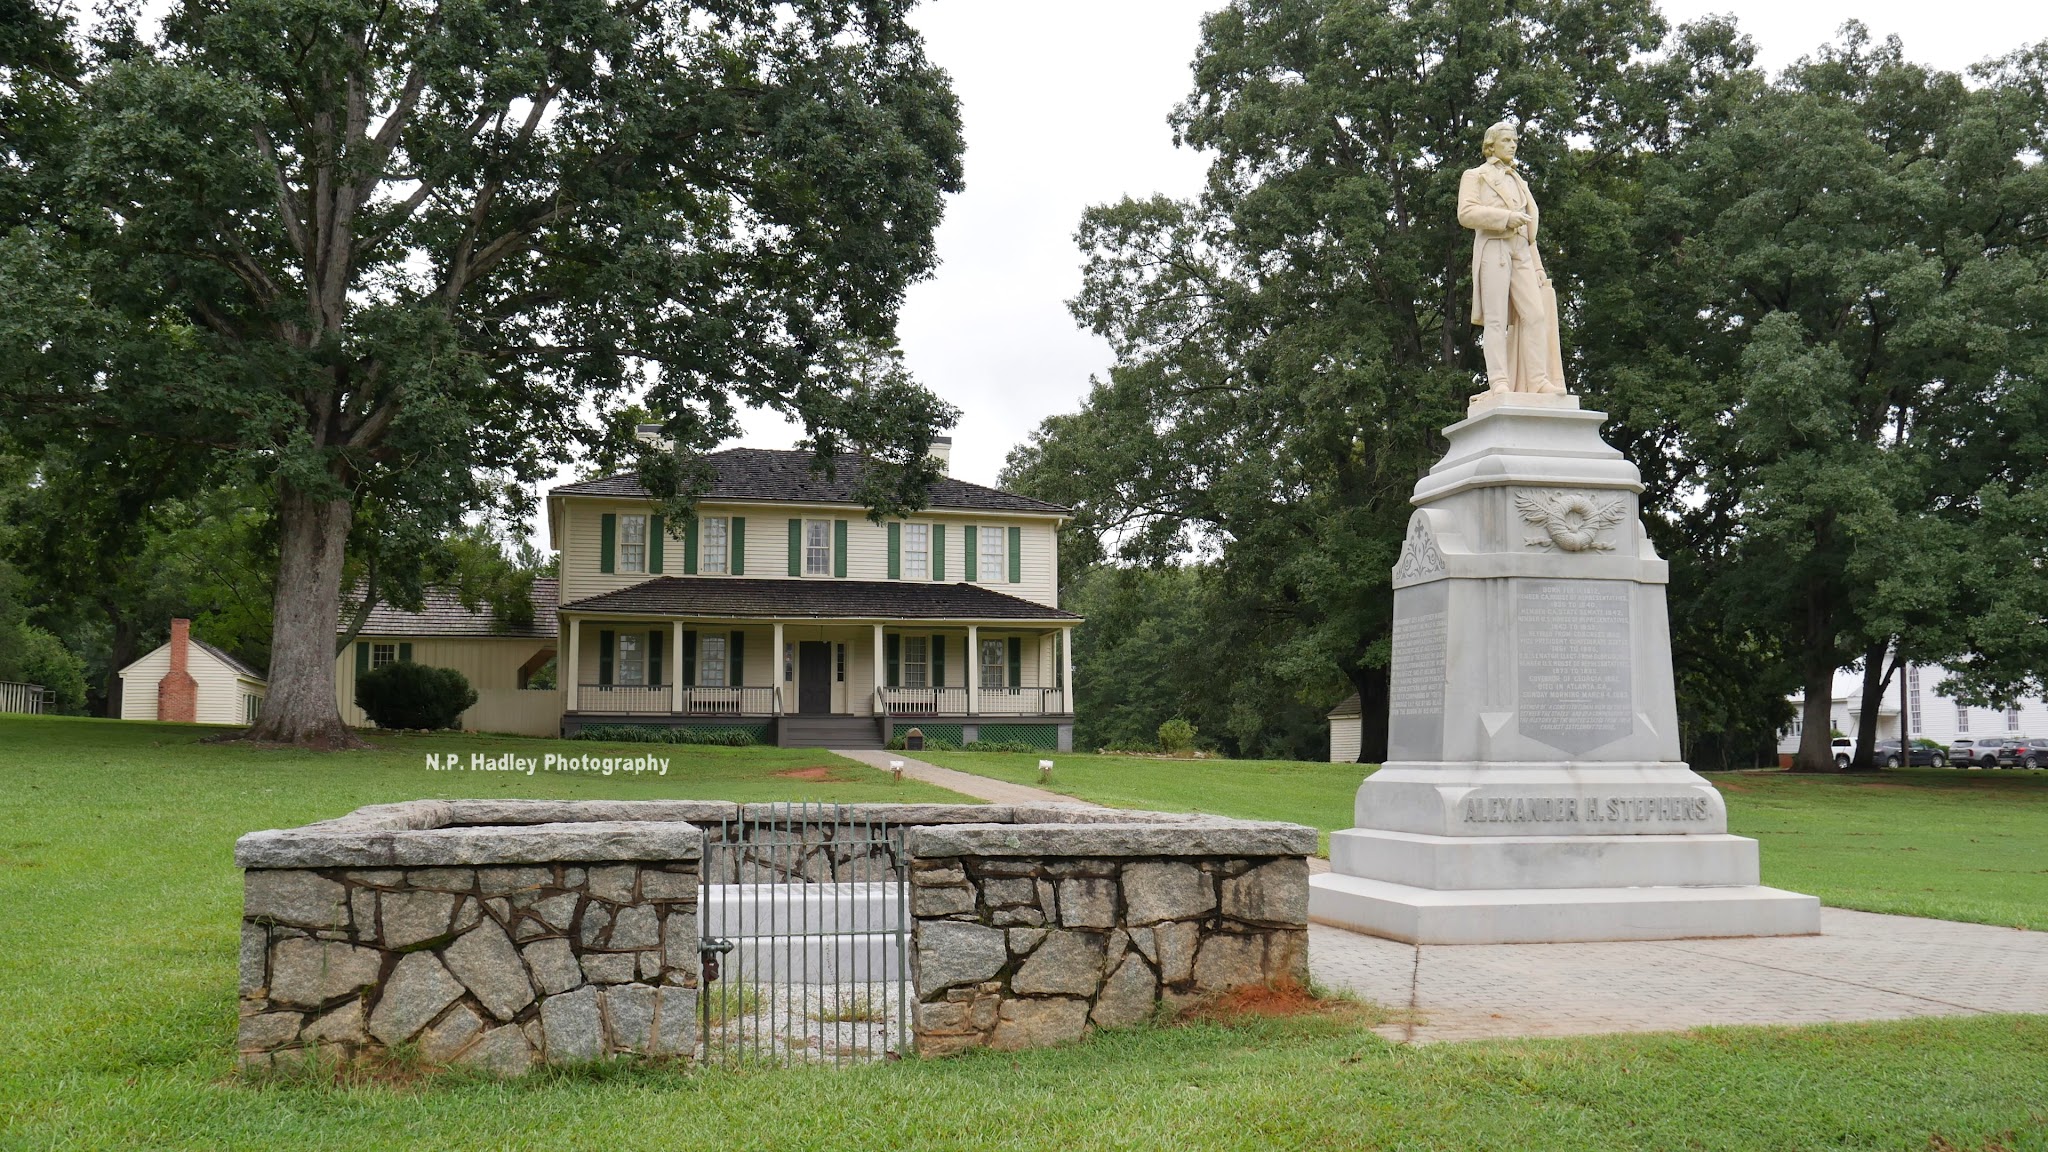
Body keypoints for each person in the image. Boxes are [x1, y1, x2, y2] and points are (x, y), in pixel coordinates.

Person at [1456, 121, 1566, 396]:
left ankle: (1538, 379)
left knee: (1535, 315)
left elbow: (1528, 229)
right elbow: (1466, 213)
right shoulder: (1475, 175)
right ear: (1491, 145)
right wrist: (1505, 218)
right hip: (1494, 246)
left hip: (1522, 251)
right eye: (1506, 140)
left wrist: (1538, 264)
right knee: (1496, 319)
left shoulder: (1519, 180)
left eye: (1515, 140)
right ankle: (1500, 381)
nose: (1513, 145)